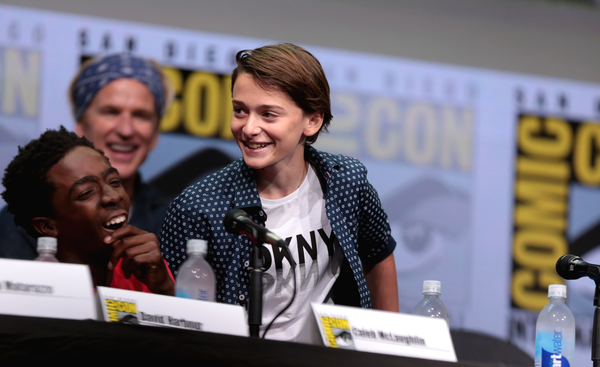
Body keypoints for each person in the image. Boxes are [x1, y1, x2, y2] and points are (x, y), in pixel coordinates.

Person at [160, 43, 399, 341]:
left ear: (312, 121)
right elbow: (172, 310)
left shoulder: (345, 181)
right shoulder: (198, 207)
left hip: (330, 357)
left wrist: (390, 346)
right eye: (240, 110)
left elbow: (378, 253)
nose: (249, 128)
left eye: (268, 114)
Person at [0, 52, 173, 260]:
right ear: (81, 126)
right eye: (111, 112)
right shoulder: (22, 223)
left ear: (155, 134)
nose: (126, 130)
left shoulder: (175, 222)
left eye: (140, 115)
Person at [1, 127, 174, 295]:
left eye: (114, 182)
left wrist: (164, 287)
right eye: (86, 193)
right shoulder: (33, 294)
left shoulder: (147, 272)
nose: (113, 196)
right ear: (47, 226)